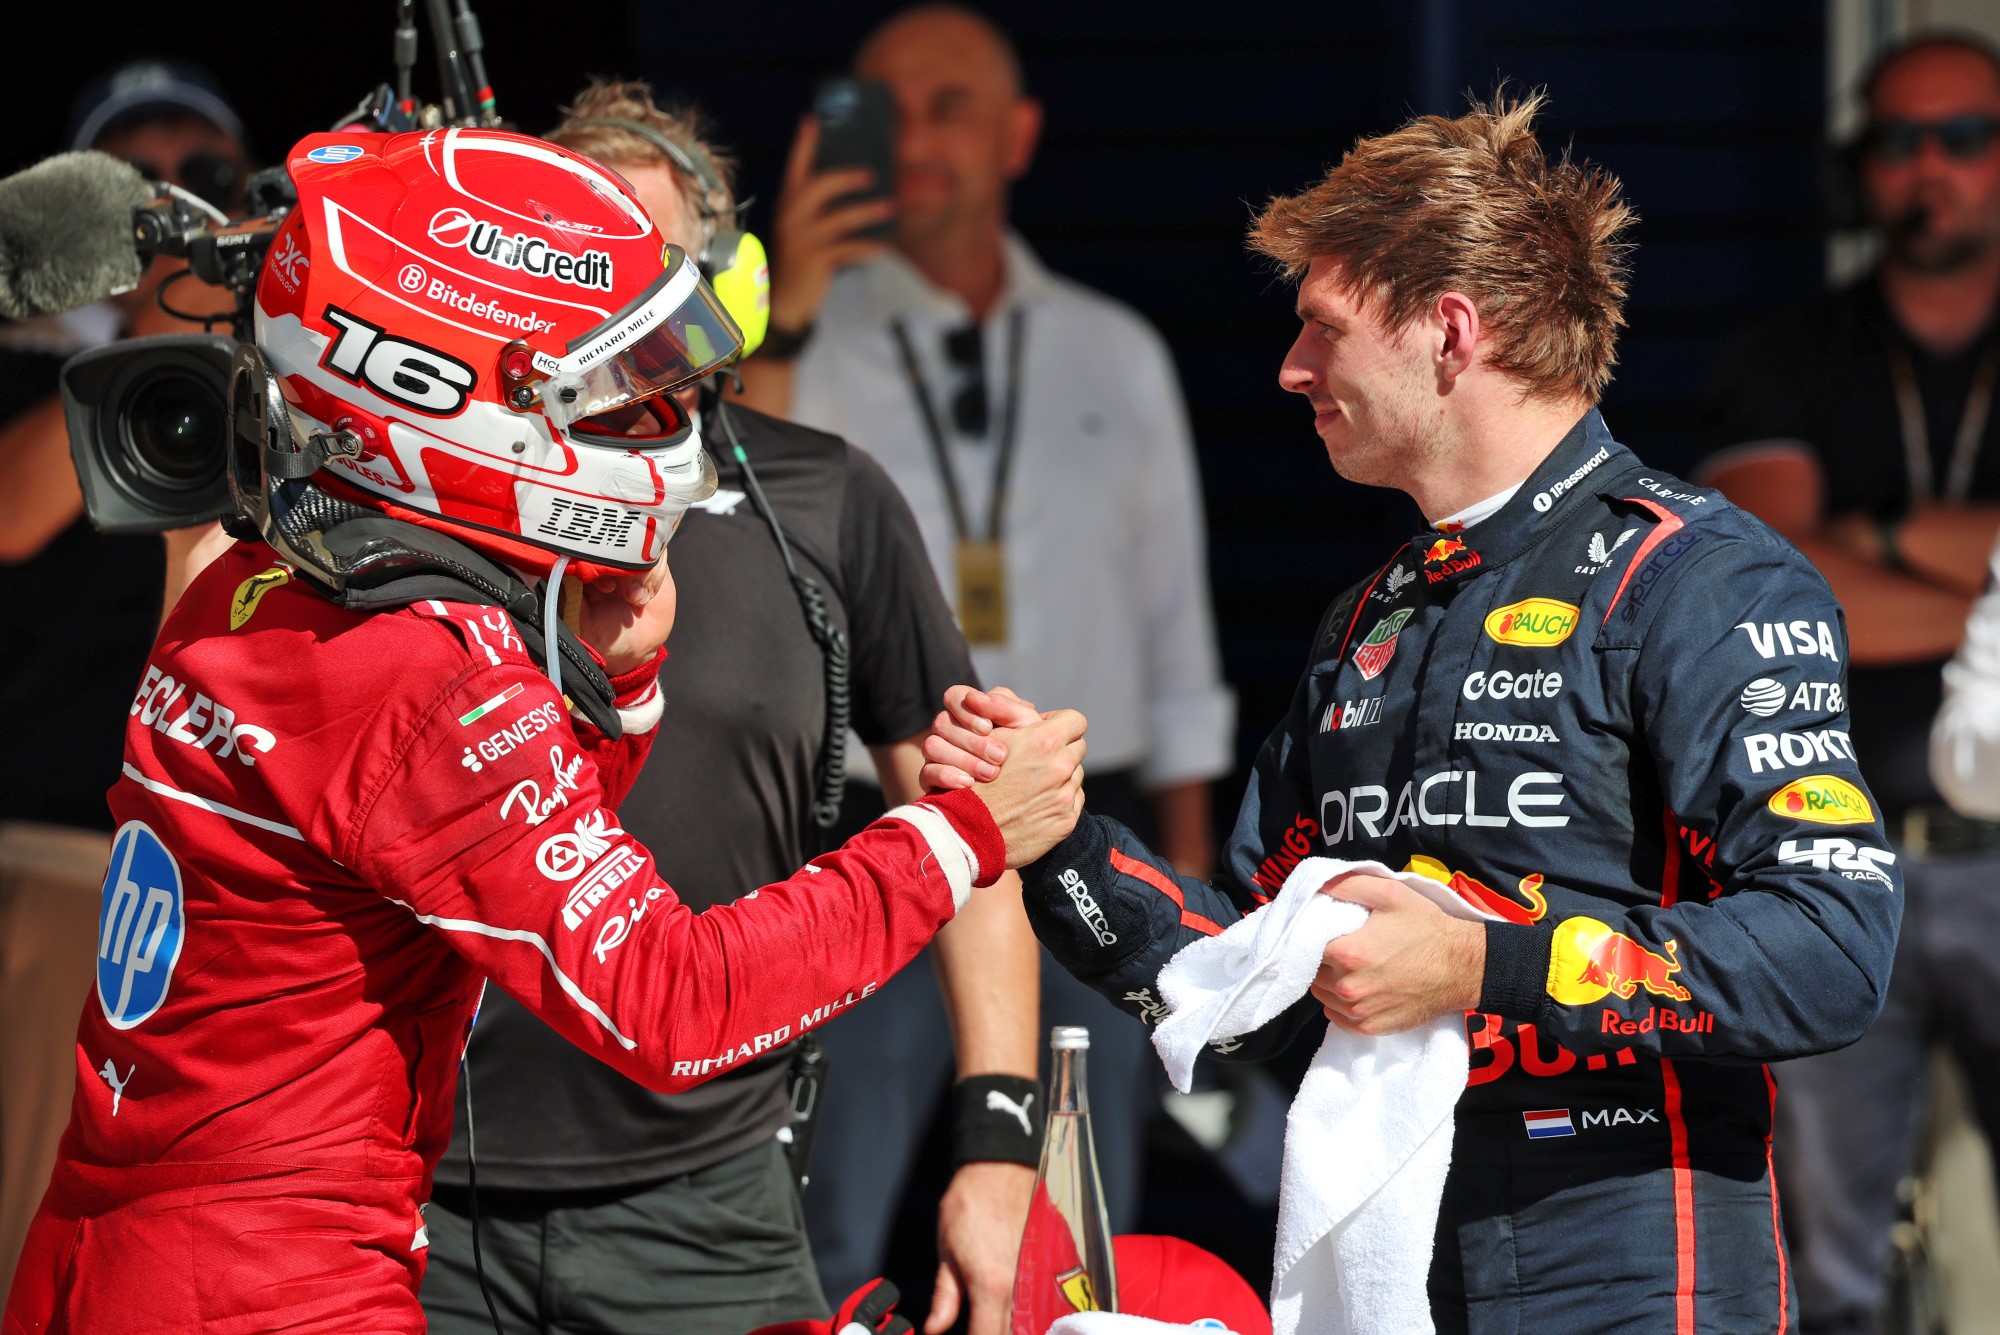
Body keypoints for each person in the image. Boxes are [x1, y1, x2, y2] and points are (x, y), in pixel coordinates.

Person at [0, 123, 1086, 1335]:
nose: (660, 427)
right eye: (616, 398)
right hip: (271, 1280)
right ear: (439, 395)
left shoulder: (259, 580)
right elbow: (673, 1006)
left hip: (120, 1240)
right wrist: (958, 836)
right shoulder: (417, 671)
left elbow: (486, 842)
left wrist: (615, 688)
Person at [924, 93, 1901, 1331]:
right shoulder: (1363, 621)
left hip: (1633, 1261)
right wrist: (1049, 837)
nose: (1289, 370)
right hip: (1387, 1255)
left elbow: (1830, 951)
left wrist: (1472, 965)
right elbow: (1238, 986)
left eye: (1321, 330)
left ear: (1448, 332)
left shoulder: (1702, 581)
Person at [416, 82, 1041, 1335]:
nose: (601, 316)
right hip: (420, 1189)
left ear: (724, 294)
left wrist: (996, 1145)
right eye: (567, 267)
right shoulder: (426, 498)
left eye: (634, 268)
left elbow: (971, 829)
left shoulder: (828, 500)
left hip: (709, 1202)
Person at [737, 5, 1236, 1281]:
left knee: (1082, 1229)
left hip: (1084, 836)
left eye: (946, 106)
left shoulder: (1107, 349)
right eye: (881, 108)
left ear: (1018, 136)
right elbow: (734, 508)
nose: (911, 138)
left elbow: (1173, 632)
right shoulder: (805, 328)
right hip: (871, 829)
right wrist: (782, 305)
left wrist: (1192, 913)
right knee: (831, 1222)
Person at [1700, 33, 2000, 1335]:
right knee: (1821, 1270)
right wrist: (1987, 586)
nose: (1929, 168)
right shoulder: (1790, 351)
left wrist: (1870, 532)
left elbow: (1826, 561)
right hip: (1831, 852)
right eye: (1899, 140)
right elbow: (1776, 591)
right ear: (1859, 167)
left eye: (1966, 137)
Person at [0, 59, 246, 1293]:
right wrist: (156, 324)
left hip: (201, 865)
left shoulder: (275, 353)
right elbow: (11, 509)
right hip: (43, 847)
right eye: (134, 174)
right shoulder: (27, 337)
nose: (166, 200)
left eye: (194, 175)